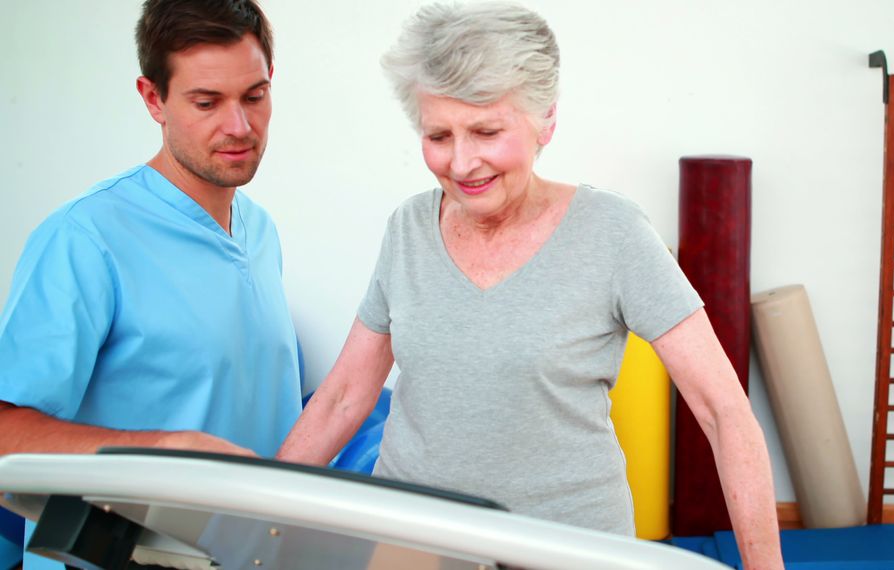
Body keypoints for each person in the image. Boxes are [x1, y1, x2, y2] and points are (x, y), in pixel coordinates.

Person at [277, 2, 782, 567]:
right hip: (412, 541)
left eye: (486, 131)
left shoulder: (612, 233)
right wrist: (255, 522)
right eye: (438, 135)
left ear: (546, 120)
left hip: (566, 548)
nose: (462, 163)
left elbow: (722, 411)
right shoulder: (408, 229)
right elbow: (344, 396)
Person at [0, 0, 301, 566]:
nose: (239, 127)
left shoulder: (260, 230)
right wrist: (164, 451)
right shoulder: (84, 238)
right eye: (207, 102)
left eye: (254, 97)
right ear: (153, 98)